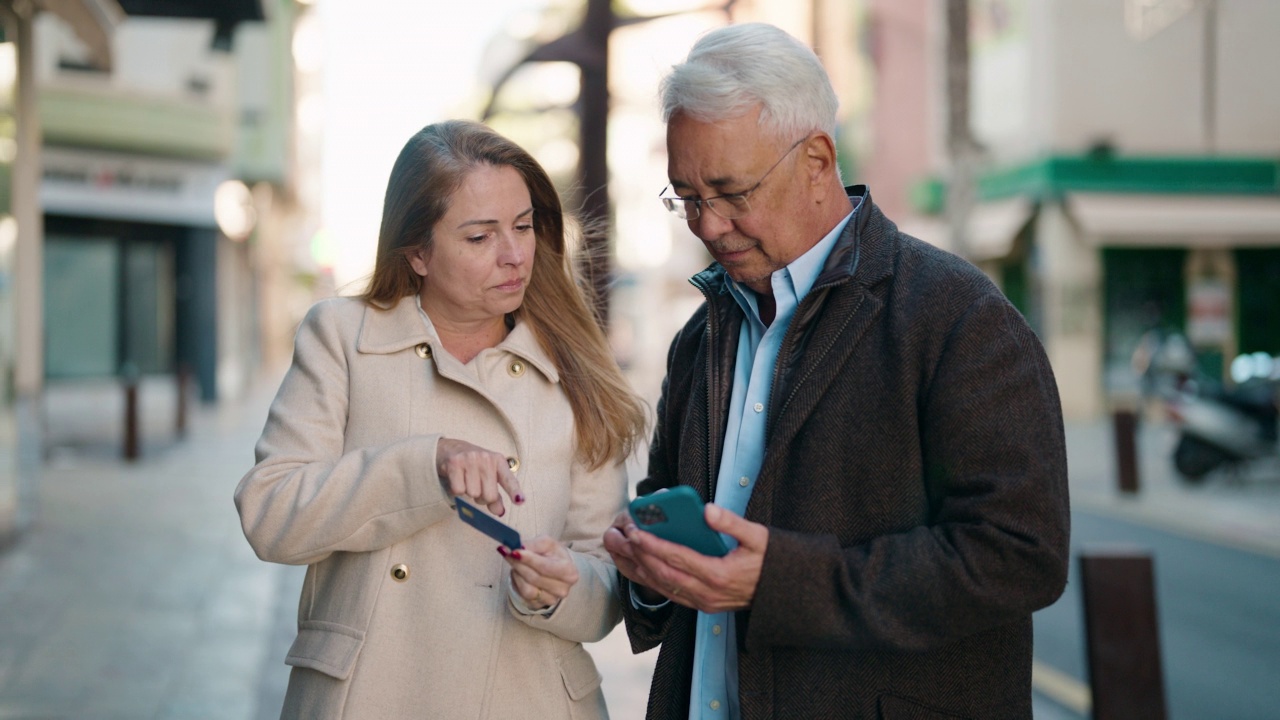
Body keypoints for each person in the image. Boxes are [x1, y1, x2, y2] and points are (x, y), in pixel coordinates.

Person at [603, 23, 1070, 720]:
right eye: (687, 196)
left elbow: (1019, 553)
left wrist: (781, 582)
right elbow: (668, 515)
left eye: (731, 192)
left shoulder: (959, 316)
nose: (705, 224)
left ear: (817, 159)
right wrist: (646, 569)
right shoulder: (701, 336)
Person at [235, 120, 647, 719]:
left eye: (524, 227)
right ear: (418, 252)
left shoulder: (577, 368)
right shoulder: (343, 339)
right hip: (371, 696)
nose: (513, 255)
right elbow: (270, 514)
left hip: (526, 698)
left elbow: (606, 581)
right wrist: (424, 466)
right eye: (480, 237)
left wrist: (563, 587)